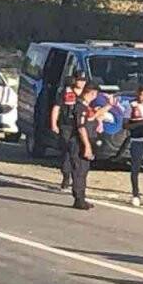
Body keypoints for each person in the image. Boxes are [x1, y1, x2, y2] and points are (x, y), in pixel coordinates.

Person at [50, 71, 87, 191]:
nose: (81, 82)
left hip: (81, 126)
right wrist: (54, 124)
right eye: (79, 80)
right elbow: (56, 108)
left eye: (83, 80)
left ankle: (76, 178)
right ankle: (66, 176)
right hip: (67, 126)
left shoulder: (87, 94)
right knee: (67, 150)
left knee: (77, 152)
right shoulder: (66, 92)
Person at [67, 82, 100, 210]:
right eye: (94, 94)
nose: (94, 97)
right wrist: (87, 146)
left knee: (84, 170)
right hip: (78, 142)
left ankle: (82, 197)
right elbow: (81, 128)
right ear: (90, 93)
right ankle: (78, 199)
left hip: (85, 141)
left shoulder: (86, 107)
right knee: (79, 170)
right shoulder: (80, 107)